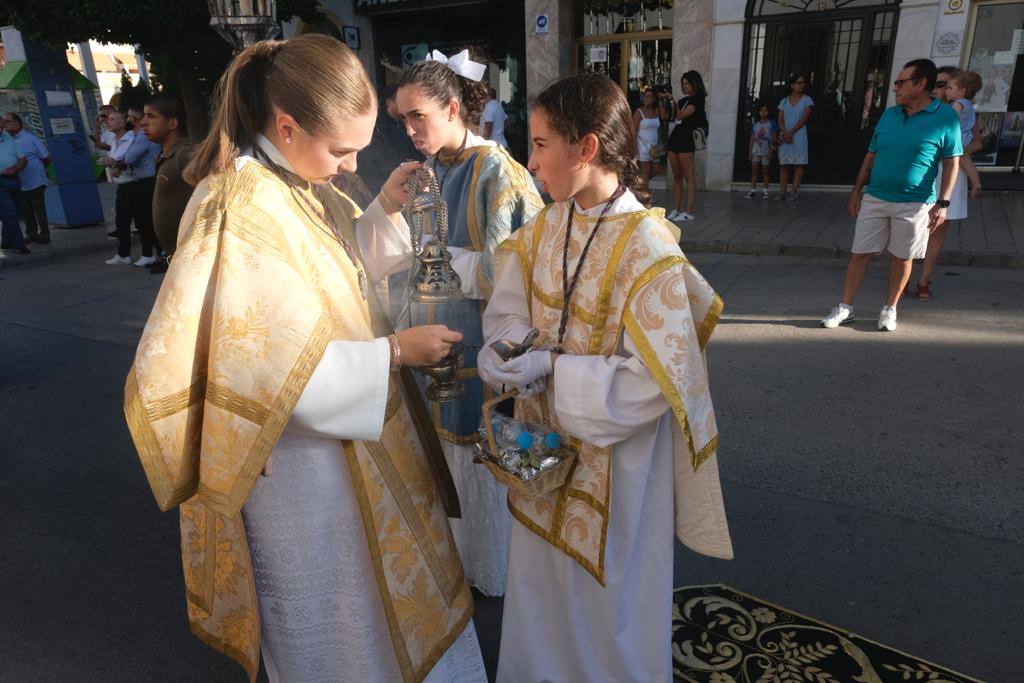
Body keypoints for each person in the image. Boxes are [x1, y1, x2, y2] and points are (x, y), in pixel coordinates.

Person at [125, 34, 486, 682]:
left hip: (352, 450)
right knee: (346, 642)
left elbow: (336, 276)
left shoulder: (294, 179)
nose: (351, 166)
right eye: (342, 150)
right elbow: (258, 373)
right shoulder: (237, 207)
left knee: (385, 619)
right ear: (287, 126)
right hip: (304, 473)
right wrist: (394, 352)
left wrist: (382, 211)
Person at [477, 72, 732, 682]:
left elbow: (653, 383)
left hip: (618, 463)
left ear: (586, 148)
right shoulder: (546, 224)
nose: (529, 160)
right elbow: (510, 305)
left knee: (605, 607)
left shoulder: (649, 249)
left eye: (540, 144)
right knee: (539, 591)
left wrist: (554, 369)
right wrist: (502, 349)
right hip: (541, 449)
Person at [394, 49, 544, 597]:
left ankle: (495, 569)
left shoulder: (497, 170)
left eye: (418, 117)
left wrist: (445, 260)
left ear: (453, 108)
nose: (410, 130)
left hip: (482, 341)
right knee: (445, 453)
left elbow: (523, 266)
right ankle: (458, 561)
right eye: (403, 119)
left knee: (482, 453)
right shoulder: (427, 170)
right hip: (432, 338)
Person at [821, 59, 961, 332]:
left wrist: (943, 203)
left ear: (920, 84)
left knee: (902, 257)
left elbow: (951, 162)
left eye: (900, 82)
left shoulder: (945, 117)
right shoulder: (889, 115)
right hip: (876, 197)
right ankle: (845, 307)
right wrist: (856, 192)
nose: (895, 88)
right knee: (859, 253)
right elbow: (871, 155)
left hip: (915, 202)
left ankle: (889, 309)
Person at [910, 69, 984, 301]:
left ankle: (923, 280)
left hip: (951, 174)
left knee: (938, 230)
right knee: (912, 226)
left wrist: (955, 153)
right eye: (937, 84)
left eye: (944, 84)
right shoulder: (924, 109)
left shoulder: (961, 110)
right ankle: (902, 276)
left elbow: (978, 143)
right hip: (923, 173)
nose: (939, 89)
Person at [100, 109, 161, 266]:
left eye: (113, 118)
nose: (109, 121)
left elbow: (129, 158)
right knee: (123, 222)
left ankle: (153, 254)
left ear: (129, 121)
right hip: (126, 184)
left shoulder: (136, 137)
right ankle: (126, 254)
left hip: (137, 183)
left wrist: (114, 163)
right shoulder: (115, 140)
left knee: (144, 221)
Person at [141, 96, 194, 274]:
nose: (143, 122)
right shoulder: (167, 155)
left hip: (191, 255)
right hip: (177, 255)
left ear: (172, 123)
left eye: (151, 116)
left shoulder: (184, 154)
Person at [665, 70, 708, 223]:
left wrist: (672, 101)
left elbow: (681, 116)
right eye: (682, 84)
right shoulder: (682, 101)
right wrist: (668, 103)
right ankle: (676, 209)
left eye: (687, 83)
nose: (684, 86)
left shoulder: (699, 99)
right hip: (674, 139)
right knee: (676, 175)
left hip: (687, 140)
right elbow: (671, 117)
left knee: (688, 175)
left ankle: (689, 211)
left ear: (694, 83)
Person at [4, 113, 51, 244]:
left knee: (39, 207)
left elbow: (46, 157)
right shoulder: (8, 139)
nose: (5, 124)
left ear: (17, 123)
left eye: (8, 121)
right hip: (20, 181)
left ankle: (45, 234)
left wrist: (40, 170)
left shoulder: (30, 138)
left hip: (35, 179)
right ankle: (31, 233)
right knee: (25, 209)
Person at [776, 73, 813, 201]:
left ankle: (793, 192)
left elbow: (804, 119)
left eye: (803, 83)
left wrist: (791, 132)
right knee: (784, 164)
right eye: (798, 83)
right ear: (792, 85)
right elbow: (780, 119)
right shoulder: (784, 101)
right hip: (785, 135)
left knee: (798, 164)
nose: (801, 85)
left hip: (799, 136)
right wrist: (785, 132)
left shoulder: (807, 100)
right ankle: (782, 192)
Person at [0, 116, 29, 254]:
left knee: (14, 212)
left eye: (1, 127)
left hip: (14, 179)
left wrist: (15, 169)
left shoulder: (8, 139)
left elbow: (23, 158)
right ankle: (19, 243)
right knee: (10, 212)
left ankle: (6, 240)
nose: (1, 130)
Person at [745, 104, 777, 199]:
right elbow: (752, 139)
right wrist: (750, 152)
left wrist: (771, 150)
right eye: (761, 110)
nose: (763, 112)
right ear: (758, 112)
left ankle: (765, 190)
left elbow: (774, 138)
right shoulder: (756, 124)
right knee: (754, 170)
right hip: (756, 149)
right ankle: (752, 190)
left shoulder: (772, 123)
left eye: (766, 110)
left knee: (765, 171)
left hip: (766, 149)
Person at [633, 88, 663, 184]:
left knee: (656, 169)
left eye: (649, 96)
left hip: (654, 146)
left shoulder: (657, 111)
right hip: (643, 145)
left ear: (654, 99)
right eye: (645, 96)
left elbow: (659, 129)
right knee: (646, 171)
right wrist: (634, 148)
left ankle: (640, 185)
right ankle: (644, 194)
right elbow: (633, 130)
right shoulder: (639, 112)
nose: (646, 98)